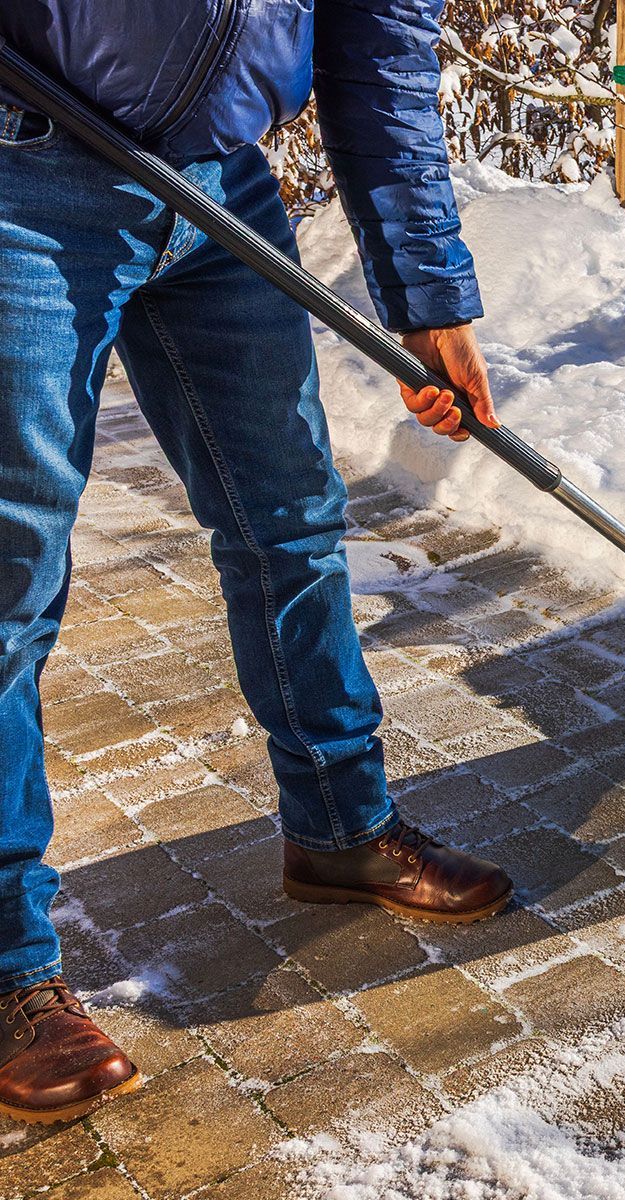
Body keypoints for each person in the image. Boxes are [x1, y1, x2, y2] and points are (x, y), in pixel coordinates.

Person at [0, 0, 517, 1125]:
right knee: (10, 578)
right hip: (25, 172)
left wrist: (428, 297)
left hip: (218, 188)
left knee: (290, 519)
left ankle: (340, 828)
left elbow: (379, 54)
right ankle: (7, 966)